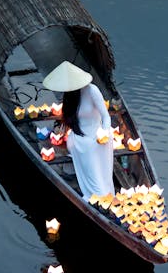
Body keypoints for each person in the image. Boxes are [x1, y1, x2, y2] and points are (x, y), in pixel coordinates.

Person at [42, 61, 114, 199]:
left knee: (91, 149)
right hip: (79, 138)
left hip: (98, 137)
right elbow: (70, 121)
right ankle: (96, 195)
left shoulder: (92, 90)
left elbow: (106, 117)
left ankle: (103, 196)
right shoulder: (70, 96)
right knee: (81, 146)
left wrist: (104, 132)